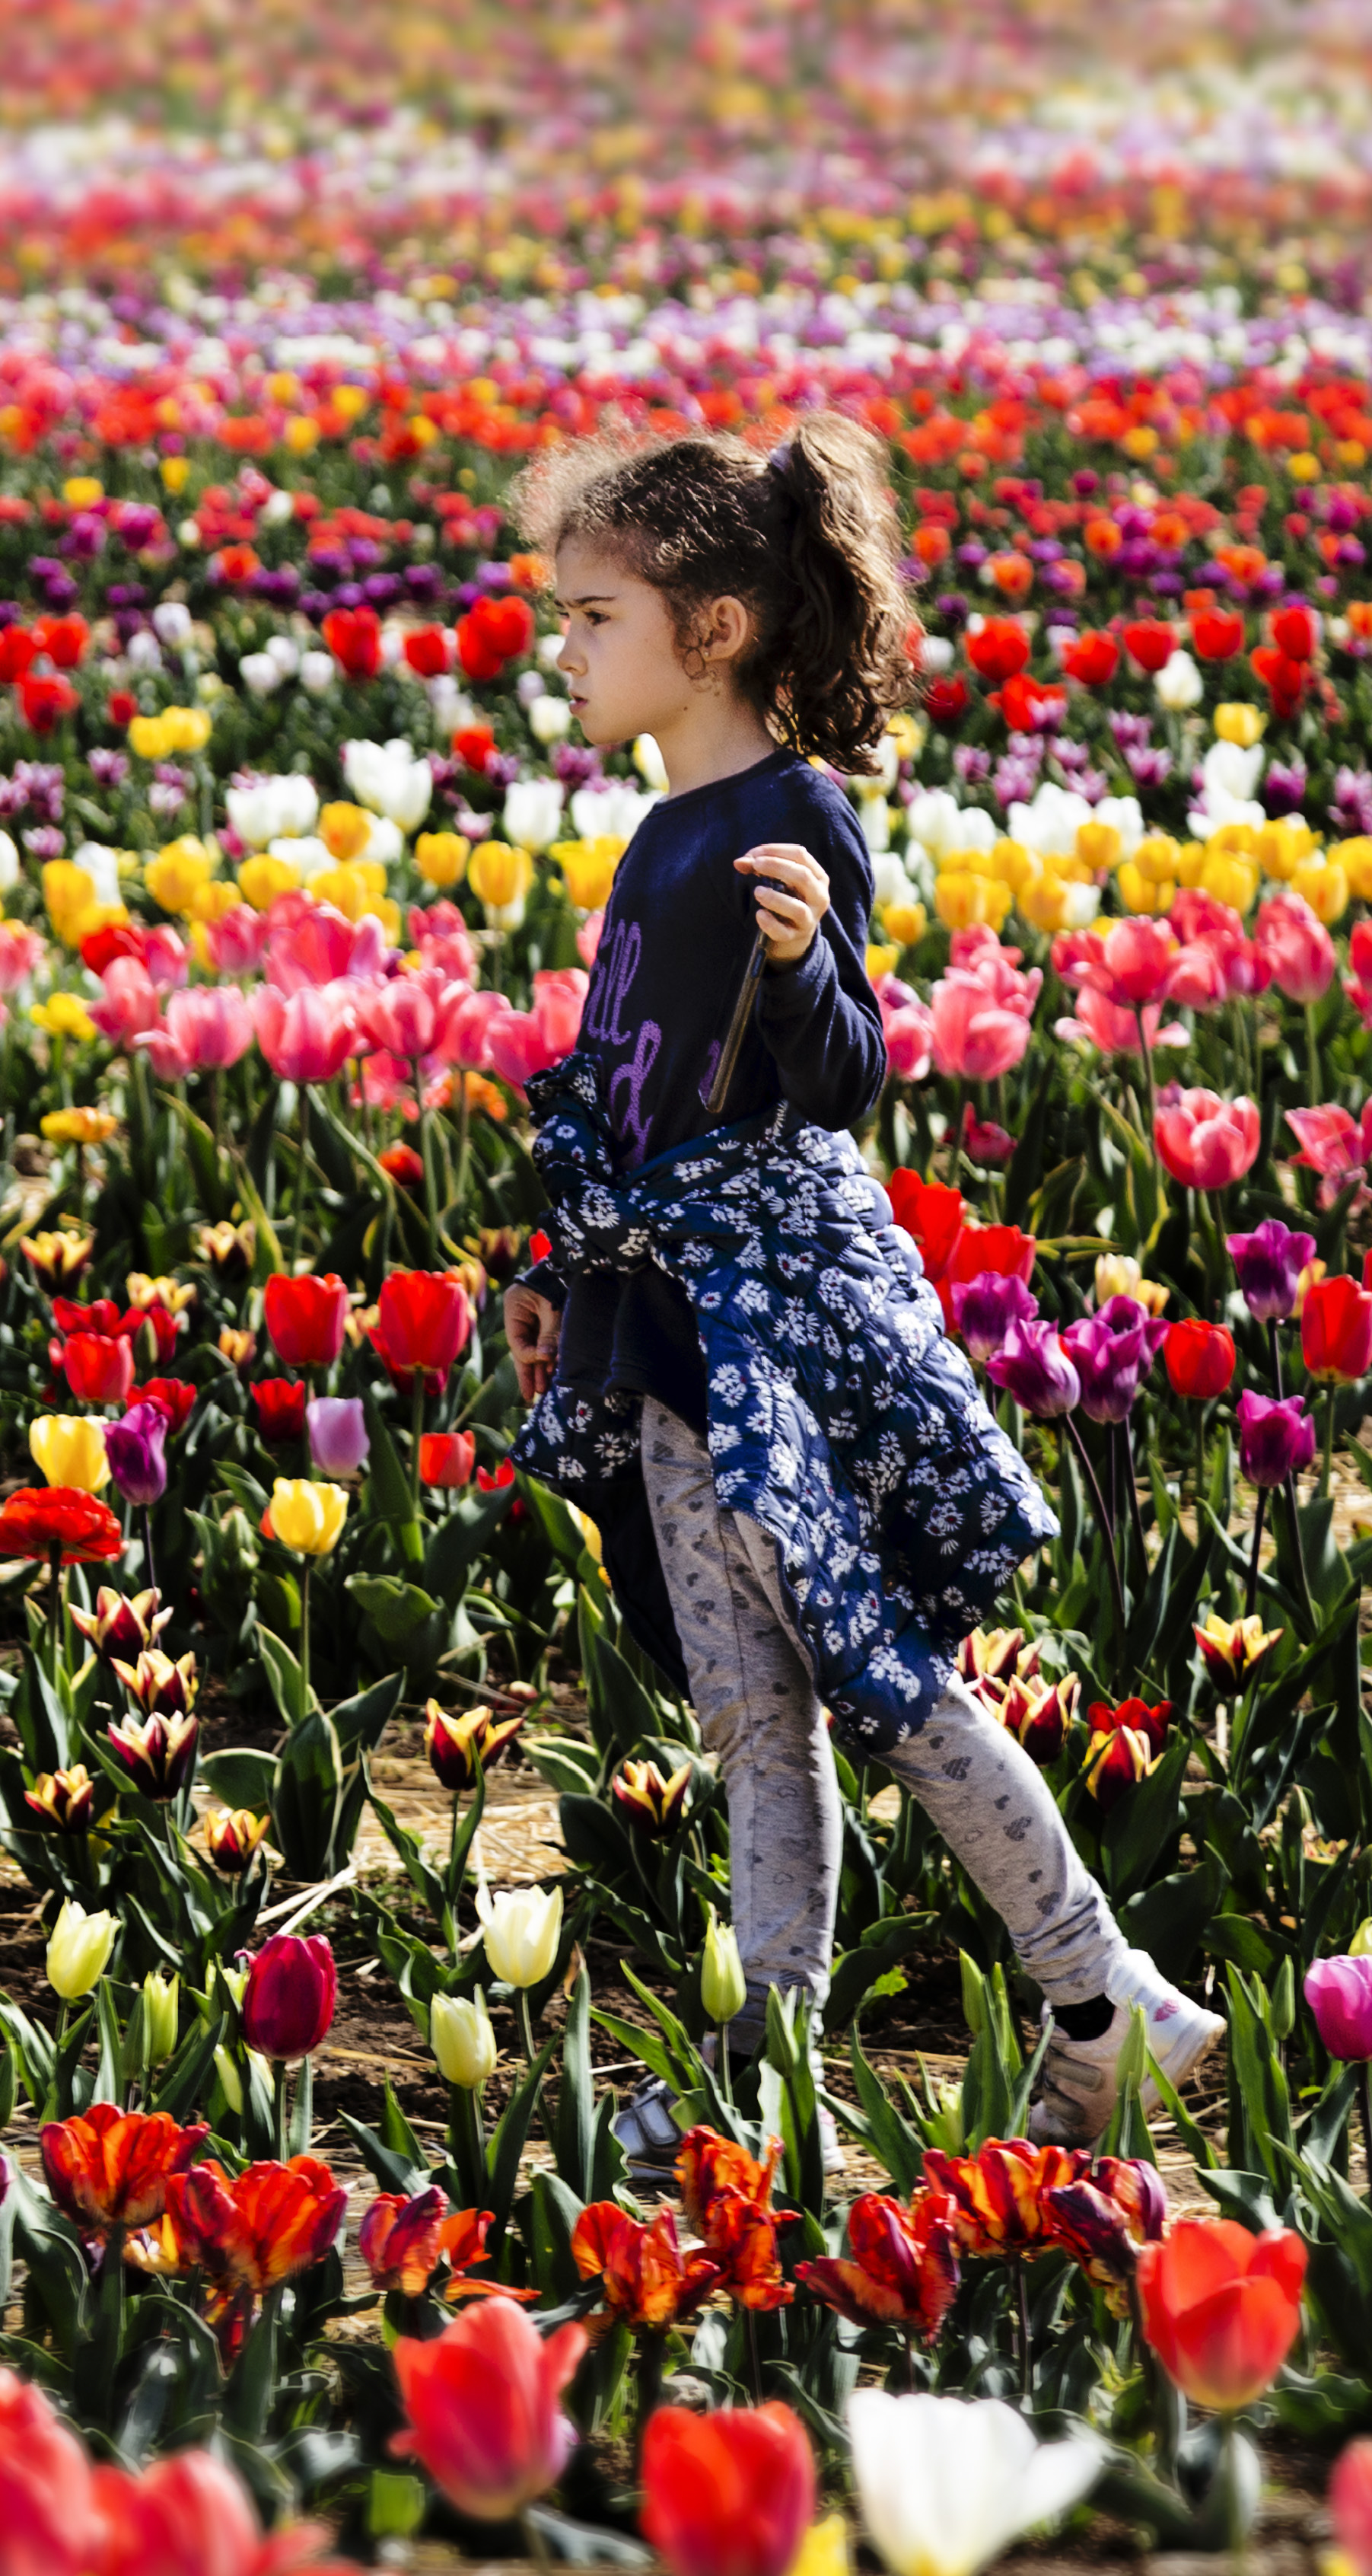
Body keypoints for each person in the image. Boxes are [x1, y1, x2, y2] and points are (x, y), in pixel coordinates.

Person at [494, 409, 1219, 2154]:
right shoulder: (655, 841)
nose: (558, 651)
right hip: (662, 1319)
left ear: (712, 630)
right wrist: (556, 1280)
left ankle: (1100, 1991)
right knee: (753, 1715)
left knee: (878, 1679)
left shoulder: (788, 821)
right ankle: (767, 2076)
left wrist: (814, 958)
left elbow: (838, 1081)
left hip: (773, 1334)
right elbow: (628, 1090)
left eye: (593, 617)